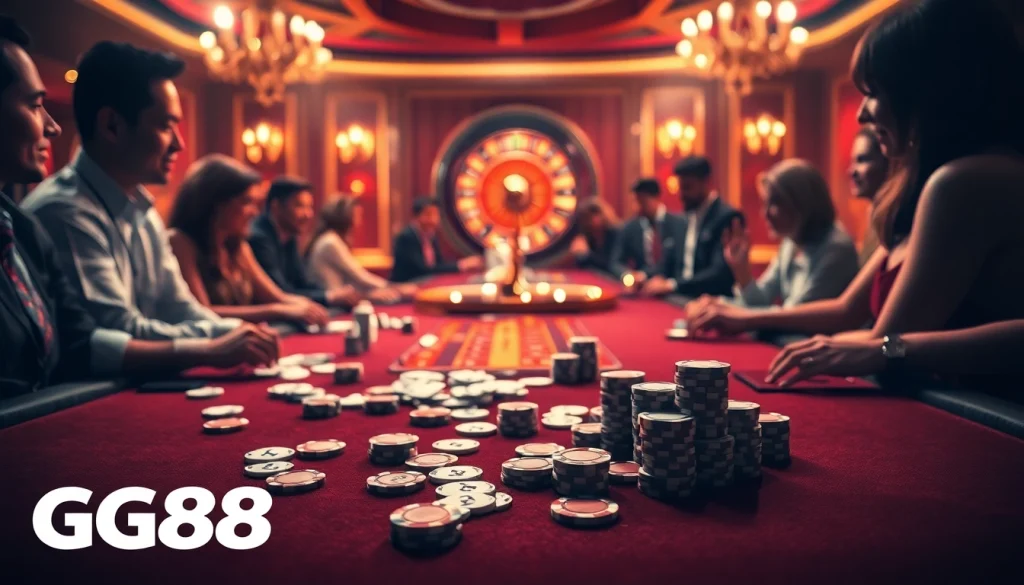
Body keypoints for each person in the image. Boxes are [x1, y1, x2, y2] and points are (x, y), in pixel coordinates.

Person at [690, 0, 1024, 386]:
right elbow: (848, 310)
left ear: (929, 95)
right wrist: (749, 320)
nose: (862, 114)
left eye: (875, 92)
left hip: (988, 422)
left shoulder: (961, 183)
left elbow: (887, 340)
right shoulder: (921, 191)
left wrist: (761, 324)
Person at [0, 22, 276, 395]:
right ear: (112, 125)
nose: (179, 143)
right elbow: (114, 331)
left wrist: (236, 335)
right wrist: (212, 347)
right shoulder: (60, 212)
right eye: (166, 126)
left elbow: (179, 308)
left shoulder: (140, 209)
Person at [168, 155, 330, 327]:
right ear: (216, 203)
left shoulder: (239, 247)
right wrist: (277, 311)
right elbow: (202, 312)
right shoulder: (180, 242)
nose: (254, 212)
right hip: (206, 348)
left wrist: (309, 307)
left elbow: (278, 297)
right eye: (247, 202)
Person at [708, 159, 858, 310]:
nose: (764, 213)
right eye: (764, 203)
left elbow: (794, 318)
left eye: (774, 203)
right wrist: (741, 271)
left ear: (802, 203)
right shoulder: (791, 242)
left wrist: (726, 311)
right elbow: (761, 301)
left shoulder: (836, 249)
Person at [248, 175, 358, 310]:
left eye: (309, 207)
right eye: (299, 206)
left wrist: (331, 294)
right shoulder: (258, 238)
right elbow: (280, 292)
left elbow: (302, 283)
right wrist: (329, 296)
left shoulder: (289, 234)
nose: (308, 214)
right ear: (276, 207)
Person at [641, 157, 745, 298]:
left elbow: (720, 273)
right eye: (681, 187)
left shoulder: (728, 217)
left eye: (688, 187)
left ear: (707, 182)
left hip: (713, 304)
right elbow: (668, 264)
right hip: (677, 300)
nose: (682, 195)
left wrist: (673, 285)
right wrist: (644, 276)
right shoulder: (682, 219)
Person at [305, 194, 415, 303]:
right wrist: (396, 288)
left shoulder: (331, 238)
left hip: (339, 299)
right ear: (346, 216)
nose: (359, 220)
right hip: (332, 304)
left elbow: (352, 280)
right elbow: (359, 276)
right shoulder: (331, 241)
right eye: (357, 215)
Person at [609, 178, 685, 288]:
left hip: (670, 291)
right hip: (640, 290)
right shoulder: (631, 227)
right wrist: (628, 276)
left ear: (656, 198)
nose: (638, 207)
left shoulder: (678, 224)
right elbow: (615, 261)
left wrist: (644, 275)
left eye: (642, 201)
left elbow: (673, 263)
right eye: (636, 201)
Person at [390, 196, 482, 283]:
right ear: (416, 216)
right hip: (406, 285)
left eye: (436, 215)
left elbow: (439, 265)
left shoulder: (431, 237)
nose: (433, 220)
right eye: (428, 214)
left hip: (424, 281)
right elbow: (422, 270)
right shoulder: (407, 237)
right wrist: (462, 265)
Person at [848, 128, 889, 265]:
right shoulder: (872, 212)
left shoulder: (894, 219)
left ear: (888, 163)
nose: (851, 171)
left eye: (862, 160)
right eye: (853, 161)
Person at [570, 196, 621, 275]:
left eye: (594, 215)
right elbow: (582, 264)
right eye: (587, 217)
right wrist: (579, 254)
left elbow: (611, 264)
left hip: (613, 278)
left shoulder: (616, 234)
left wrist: (587, 254)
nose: (591, 220)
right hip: (595, 277)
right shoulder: (587, 235)